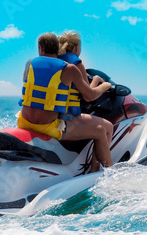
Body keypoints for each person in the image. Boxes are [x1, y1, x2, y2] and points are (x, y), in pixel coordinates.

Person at [17, 32, 114, 168]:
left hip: (23, 121)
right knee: (100, 130)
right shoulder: (68, 68)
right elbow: (90, 96)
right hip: (48, 127)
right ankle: (105, 174)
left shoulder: (30, 63)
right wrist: (104, 85)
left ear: (40, 48)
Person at [58, 31, 114, 170]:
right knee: (107, 128)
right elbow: (88, 96)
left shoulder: (57, 60)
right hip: (69, 117)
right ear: (76, 47)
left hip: (55, 114)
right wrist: (98, 82)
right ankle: (95, 170)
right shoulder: (76, 62)